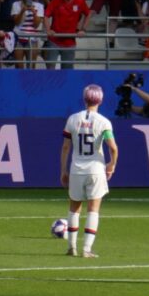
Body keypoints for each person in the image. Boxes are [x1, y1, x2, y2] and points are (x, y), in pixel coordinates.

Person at [60, 85, 119, 258]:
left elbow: (65, 147)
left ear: (85, 99)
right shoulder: (104, 122)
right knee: (93, 209)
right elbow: (113, 148)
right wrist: (112, 165)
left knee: (74, 207)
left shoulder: (72, 119)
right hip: (96, 170)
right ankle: (86, 249)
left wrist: (63, 170)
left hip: (77, 169)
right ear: (100, 100)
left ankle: (71, 247)